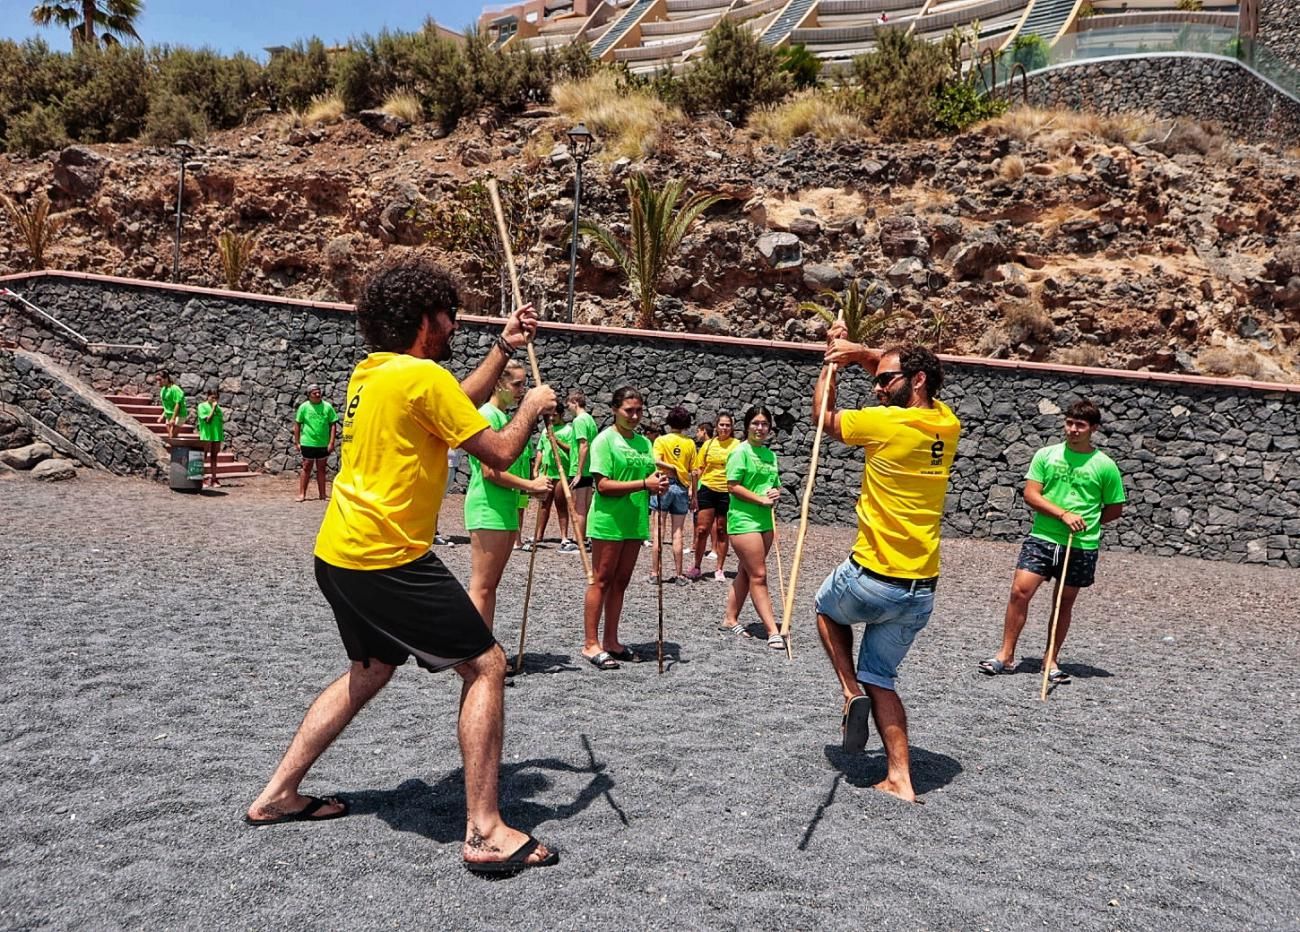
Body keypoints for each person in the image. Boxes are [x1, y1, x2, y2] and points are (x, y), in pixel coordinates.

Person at [245, 258, 560, 876]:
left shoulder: (376, 373)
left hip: (339, 553)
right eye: (448, 315)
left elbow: (451, 408)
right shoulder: (421, 376)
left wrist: (501, 347)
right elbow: (495, 446)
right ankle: (487, 831)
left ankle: (278, 795)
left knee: (370, 669)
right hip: (386, 557)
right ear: (424, 319)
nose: (453, 324)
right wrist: (532, 405)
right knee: (486, 665)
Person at [811, 337, 961, 804]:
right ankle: (901, 777)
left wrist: (832, 367)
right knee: (883, 677)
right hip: (920, 592)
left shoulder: (885, 423)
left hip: (871, 578)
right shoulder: (946, 422)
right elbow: (893, 371)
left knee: (823, 608)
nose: (876, 387)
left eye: (883, 381)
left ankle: (848, 690)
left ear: (916, 380)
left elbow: (824, 418)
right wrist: (861, 354)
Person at [979, 399, 1126, 683]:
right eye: (1069, 423)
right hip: (1043, 538)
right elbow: (1031, 494)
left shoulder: (1105, 466)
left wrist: (1087, 524)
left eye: (1080, 425)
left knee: (1063, 601)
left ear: (1093, 428)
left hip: (1080, 545)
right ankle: (1005, 656)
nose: (1073, 429)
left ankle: (1051, 660)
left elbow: (1114, 508)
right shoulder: (1046, 455)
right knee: (1019, 591)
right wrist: (1063, 515)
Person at [581, 386, 668, 670]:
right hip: (608, 521)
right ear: (614, 410)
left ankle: (612, 640)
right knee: (601, 579)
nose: (634, 416)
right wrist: (644, 484)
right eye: (628, 410)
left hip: (634, 520)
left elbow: (649, 476)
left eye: (638, 411)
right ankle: (590, 643)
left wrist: (658, 484)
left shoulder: (644, 443)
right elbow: (603, 486)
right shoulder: (604, 441)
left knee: (621, 582)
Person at [464, 360, 552, 631]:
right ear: (499, 383)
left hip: (504, 506)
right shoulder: (487, 415)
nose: (521, 390)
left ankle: (484, 647)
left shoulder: (506, 418)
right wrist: (531, 485)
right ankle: (476, 653)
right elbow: (491, 472)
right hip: (487, 506)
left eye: (524, 384)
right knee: (482, 586)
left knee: (491, 586)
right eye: (517, 384)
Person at [718, 405, 784, 650]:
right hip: (744, 520)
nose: (760, 428)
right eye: (755, 423)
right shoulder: (740, 452)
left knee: (747, 571)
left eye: (764, 424)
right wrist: (760, 500)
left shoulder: (770, 455)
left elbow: (774, 485)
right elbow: (733, 485)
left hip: (765, 521)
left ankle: (730, 618)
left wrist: (775, 493)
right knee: (759, 574)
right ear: (747, 426)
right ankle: (772, 630)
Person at [687, 412, 738, 581]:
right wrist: (693, 487)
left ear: (732, 427)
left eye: (727, 425)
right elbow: (700, 467)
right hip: (708, 488)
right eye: (721, 425)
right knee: (702, 529)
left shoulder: (737, 445)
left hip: (727, 490)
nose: (724, 428)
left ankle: (719, 569)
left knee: (722, 530)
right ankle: (697, 565)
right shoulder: (708, 445)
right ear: (716, 426)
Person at [650, 405, 696, 584]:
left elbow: (655, 460)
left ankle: (655, 573)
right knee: (678, 532)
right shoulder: (690, 443)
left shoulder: (661, 441)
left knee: (658, 532)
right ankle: (679, 574)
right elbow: (694, 471)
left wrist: (671, 467)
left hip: (664, 483)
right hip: (682, 487)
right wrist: (693, 493)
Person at [530, 416, 574, 551]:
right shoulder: (545, 431)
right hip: (547, 471)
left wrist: (556, 440)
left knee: (561, 504)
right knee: (544, 504)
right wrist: (536, 468)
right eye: (550, 416)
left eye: (555, 415)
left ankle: (564, 537)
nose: (552, 418)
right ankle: (538, 535)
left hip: (562, 472)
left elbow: (572, 450)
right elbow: (540, 451)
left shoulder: (568, 430)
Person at [565, 391, 599, 552]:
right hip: (588, 467)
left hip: (579, 467)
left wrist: (578, 471)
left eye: (569, 404)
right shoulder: (590, 420)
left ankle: (578, 541)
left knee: (578, 507)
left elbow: (583, 445)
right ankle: (583, 539)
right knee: (584, 506)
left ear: (575, 402)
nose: (568, 408)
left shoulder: (579, 420)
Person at [294, 385, 339, 502]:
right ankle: (302, 494)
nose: (318, 395)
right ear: (309, 395)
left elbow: (333, 424)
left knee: (322, 469)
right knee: (306, 467)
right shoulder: (304, 407)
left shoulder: (327, 407)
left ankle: (323, 494)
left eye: (319, 392)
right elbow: (297, 424)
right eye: (314, 393)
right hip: (308, 442)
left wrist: (331, 442)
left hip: (323, 443)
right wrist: (297, 442)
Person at [196, 388, 225, 488]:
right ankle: (201, 478)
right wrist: (213, 408)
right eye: (212, 397)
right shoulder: (202, 406)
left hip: (216, 435)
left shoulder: (218, 408)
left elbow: (220, 421)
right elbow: (207, 420)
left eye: (216, 398)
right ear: (208, 396)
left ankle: (214, 478)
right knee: (203, 457)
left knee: (214, 456)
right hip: (206, 435)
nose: (214, 400)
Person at [157, 371, 187, 443]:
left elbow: (177, 404)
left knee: (172, 435)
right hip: (169, 415)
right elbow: (167, 406)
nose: (158, 382)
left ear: (166, 379)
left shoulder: (175, 389)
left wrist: (173, 418)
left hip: (179, 415)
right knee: (171, 436)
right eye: (157, 380)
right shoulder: (163, 390)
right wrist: (162, 416)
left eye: (160, 380)